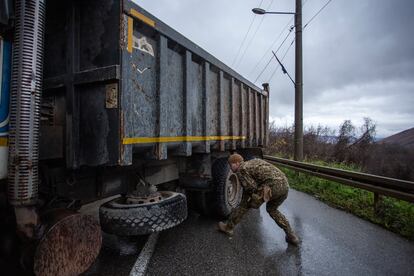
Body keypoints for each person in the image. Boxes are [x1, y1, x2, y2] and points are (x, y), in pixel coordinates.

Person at [217, 153, 300, 246]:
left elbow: (251, 187)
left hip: (272, 186)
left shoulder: (241, 169)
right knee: (272, 210)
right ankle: (291, 235)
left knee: (244, 205)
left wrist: (248, 201)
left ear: (236, 163)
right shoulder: (253, 162)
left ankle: (228, 227)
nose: (230, 168)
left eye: (230, 164)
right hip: (285, 186)